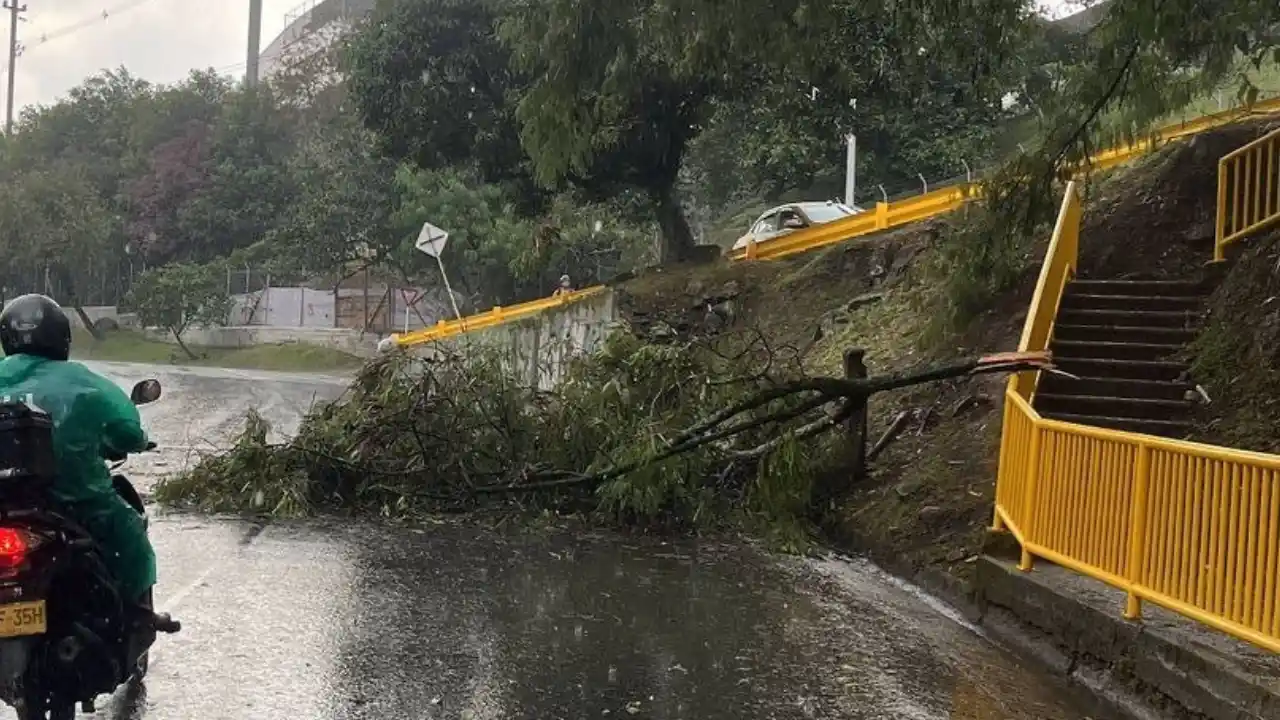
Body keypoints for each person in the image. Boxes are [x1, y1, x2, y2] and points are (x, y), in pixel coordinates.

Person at [0, 294, 157, 612]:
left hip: (6, 509)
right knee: (132, 544)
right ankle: (137, 617)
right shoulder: (82, 381)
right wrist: (137, 441)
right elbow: (127, 430)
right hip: (76, 506)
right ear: (62, 338)